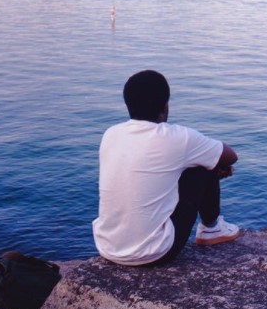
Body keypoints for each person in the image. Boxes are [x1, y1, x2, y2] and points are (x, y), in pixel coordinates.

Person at [92, 70, 240, 266]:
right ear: (165, 106)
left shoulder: (110, 134)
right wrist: (214, 168)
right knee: (204, 163)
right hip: (154, 253)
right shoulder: (179, 137)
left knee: (190, 161)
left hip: (107, 247)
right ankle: (211, 228)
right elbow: (230, 156)